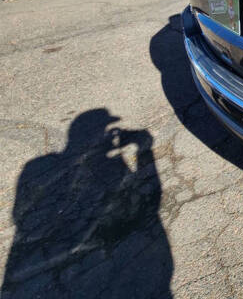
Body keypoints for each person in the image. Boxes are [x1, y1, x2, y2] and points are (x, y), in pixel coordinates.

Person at [1, 109, 173, 298]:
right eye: (105, 128)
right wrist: (144, 148)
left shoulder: (36, 166)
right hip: (125, 260)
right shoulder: (46, 166)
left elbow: (20, 215)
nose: (108, 133)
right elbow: (151, 200)